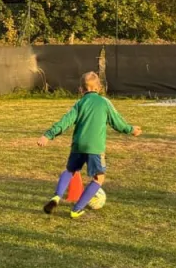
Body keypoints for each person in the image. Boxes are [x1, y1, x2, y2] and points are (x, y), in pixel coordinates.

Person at [37, 72, 141, 218]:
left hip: (78, 146)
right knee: (99, 178)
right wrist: (131, 129)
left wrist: (47, 135)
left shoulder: (79, 104)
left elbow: (64, 122)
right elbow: (117, 123)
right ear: (100, 87)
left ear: (81, 89)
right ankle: (77, 209)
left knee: (70, 170)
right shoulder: (104, 102)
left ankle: (56, 196)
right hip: (95, 148)